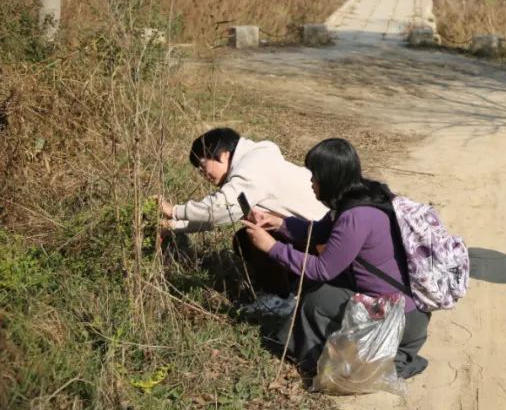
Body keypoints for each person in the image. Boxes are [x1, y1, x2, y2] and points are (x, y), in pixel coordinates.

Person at [241, 138, 430, 378]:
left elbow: (322, 269)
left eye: (314, 176)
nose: (311, 182)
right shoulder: (363, 196)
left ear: (330, 178)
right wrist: (279, 223)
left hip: (399, 321)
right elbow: (320, 232)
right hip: (407, 312)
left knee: (318, 296)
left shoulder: (355, 217)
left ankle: (315, 363)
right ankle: (309, 350)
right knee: (319, 287)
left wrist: (271, 248)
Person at [158, 127, 329, 314]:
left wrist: (174, 210)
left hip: (325, 242)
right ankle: (294, 285)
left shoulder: (253, 168)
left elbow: (220, 208)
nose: (203, 174)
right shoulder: (252, 165)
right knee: (249, 234)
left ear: (223, 155)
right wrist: (173, 226)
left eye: (202, 166)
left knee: (249, 237)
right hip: (313, 234)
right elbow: (224, 214)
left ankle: (280, 298)